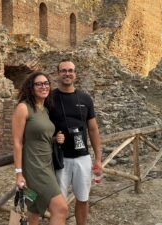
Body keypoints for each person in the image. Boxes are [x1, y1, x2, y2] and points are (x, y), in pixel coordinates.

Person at [49, 59, 102, 225]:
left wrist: (98, 159)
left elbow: (93, 129)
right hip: (59, 159)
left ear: (75, 74)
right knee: (59, 204)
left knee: (83, 199)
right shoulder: (49, 98)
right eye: (63, 70)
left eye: (70, 70)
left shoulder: (85, 98)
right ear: (58, 74)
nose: (67, 73)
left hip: (82, 157)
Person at [12, 71, 68, 225]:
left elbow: (40, 136)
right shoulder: (23, 108)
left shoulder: (45, 110)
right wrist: (18, 173)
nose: (43, 86)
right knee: (61, 208)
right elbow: (17, 142)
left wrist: (55, 139)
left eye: (46, 83)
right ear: (31, 87)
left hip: (47, 164)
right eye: (39, 84)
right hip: (34, 168)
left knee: (34, 208)